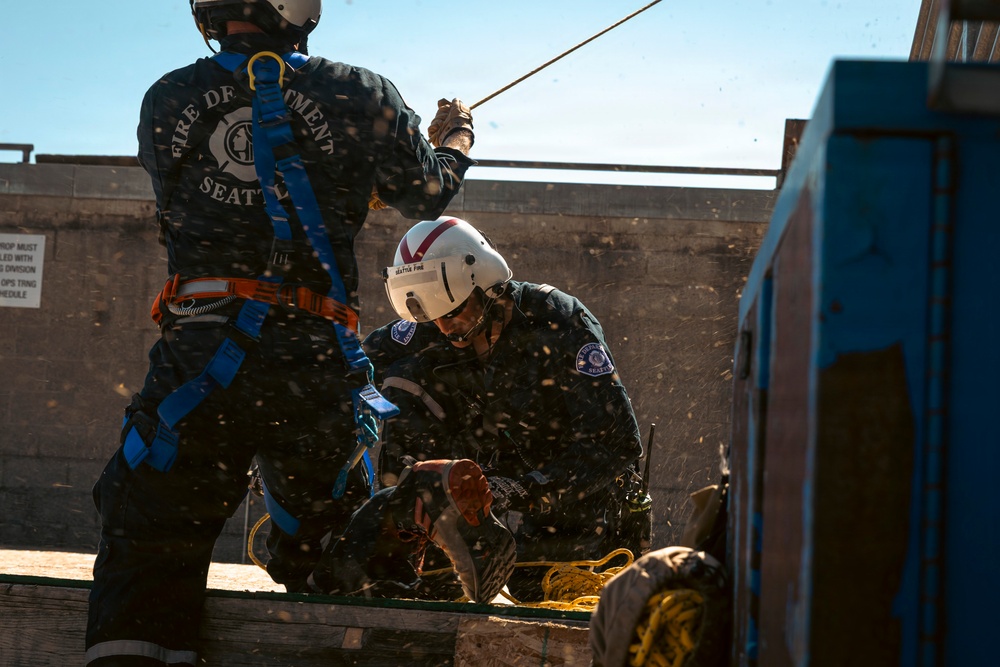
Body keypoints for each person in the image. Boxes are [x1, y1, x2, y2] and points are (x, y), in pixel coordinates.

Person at [85, 2, 485, 665]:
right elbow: (427, 192)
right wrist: (456, 136)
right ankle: (379, 551)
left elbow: (214, 204)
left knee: (148, 540)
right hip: (312, 364)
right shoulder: (361, 93)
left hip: (200, 363)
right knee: (329, 540)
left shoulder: (166, 99)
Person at [362, 216, 648, 602]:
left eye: (453, 312)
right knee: (403, 373)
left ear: (485, 285)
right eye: (433, 316)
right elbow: (349, 366)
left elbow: (617, 443)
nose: (444, 327)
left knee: (544, 593)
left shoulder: (559, 321)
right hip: (484, 480)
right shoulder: (429, 326)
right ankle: (419, 529)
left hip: (573, 492)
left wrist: (522, 488)